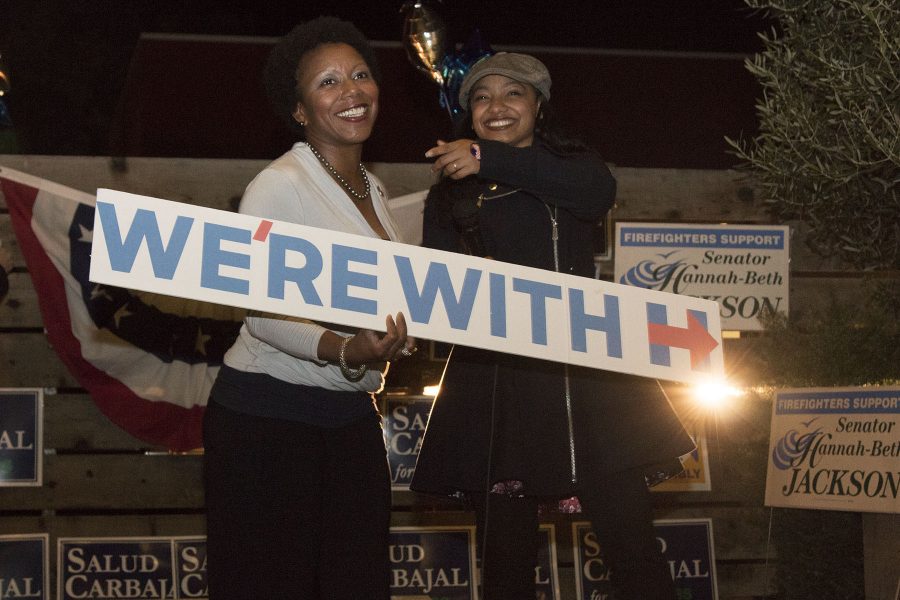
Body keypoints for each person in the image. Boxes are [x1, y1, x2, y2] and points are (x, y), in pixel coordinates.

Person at [409, 52, 694, 599]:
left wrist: (486, 157)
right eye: (482, 97)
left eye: (513, 94)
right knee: (507, 567)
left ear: (538, 106)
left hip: (591, 387)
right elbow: (436, 294)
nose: (497, 106)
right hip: (500, 391)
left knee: (635, 554)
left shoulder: (574, 166)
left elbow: (595, 195)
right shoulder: (448, 193)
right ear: (468, 113)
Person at [202, 17, 416, 600]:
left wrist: (401, 333)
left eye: (360, 75)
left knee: (356, 581)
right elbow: (262, 314)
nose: (351, 91)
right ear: (299, 111)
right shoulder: (279, 185)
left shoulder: (375, 191)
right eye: (328, 83)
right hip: (267, 420)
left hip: (349, 416)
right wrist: (348, 347)